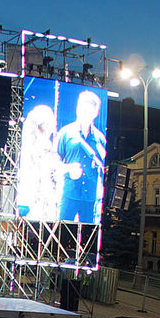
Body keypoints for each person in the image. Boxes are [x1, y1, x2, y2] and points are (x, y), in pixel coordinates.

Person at [55, 89, 106, 224]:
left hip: (90, 197)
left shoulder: (100, 139)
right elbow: (55, 162)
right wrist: (68, 168)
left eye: (88, 111)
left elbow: (104, 167)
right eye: (82, 109)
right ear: (77, 108)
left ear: (95, 113)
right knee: (61, 234)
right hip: (69, 193)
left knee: (88, 238)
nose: (84, 114)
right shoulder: (66, 132)